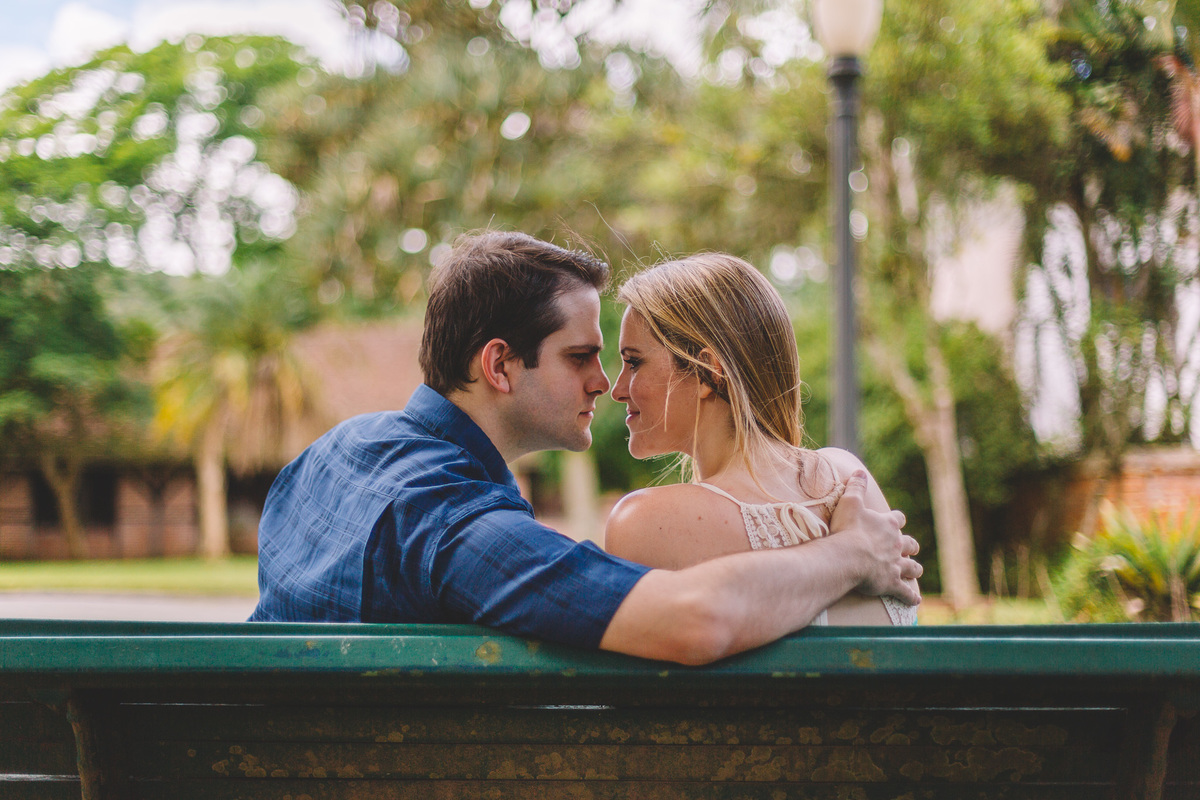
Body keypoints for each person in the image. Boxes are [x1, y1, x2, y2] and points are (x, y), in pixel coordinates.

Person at [250, 231, 921, 663]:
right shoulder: (465, 530)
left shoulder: (326, 454)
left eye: (624, 360)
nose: (605, 384)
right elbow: (695, 620)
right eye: (583, 357)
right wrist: (852, 552)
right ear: (500, 366)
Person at [605, 252, 917, 625]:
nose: (618, 389)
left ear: (707, 373)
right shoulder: (850, 477)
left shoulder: (644, 522)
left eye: (634, 361)